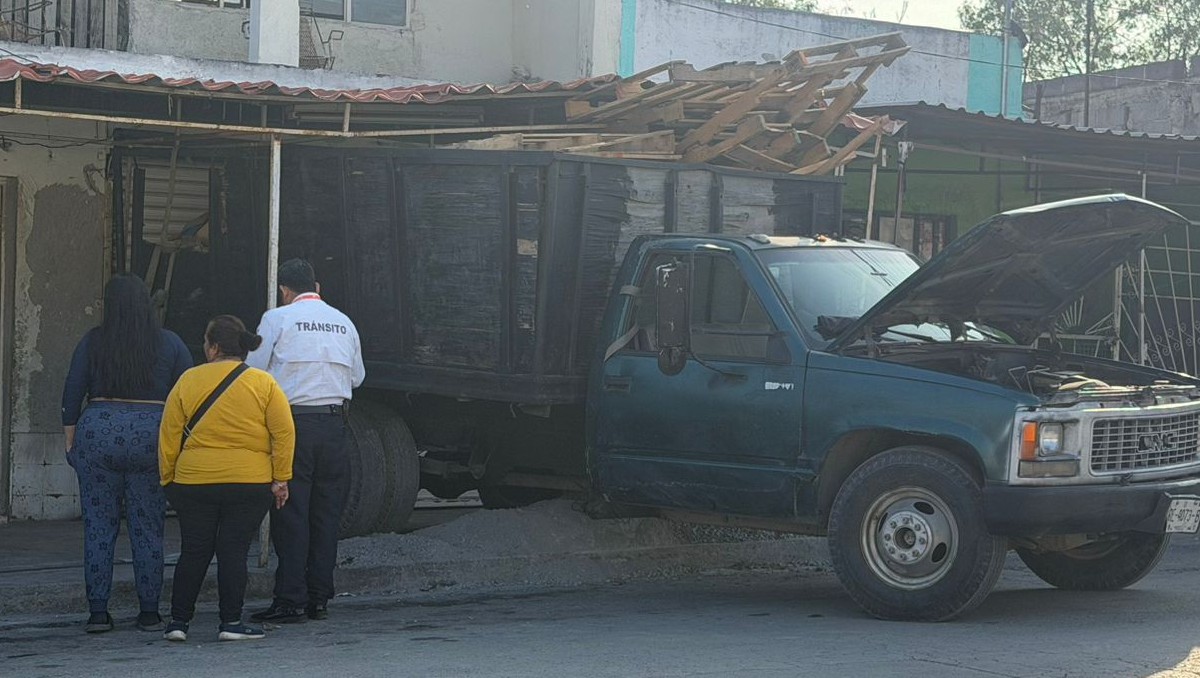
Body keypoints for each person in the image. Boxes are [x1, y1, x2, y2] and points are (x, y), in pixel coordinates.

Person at [62, 274, 192, 634]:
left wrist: (72, 444)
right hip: (151, 434)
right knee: (148, 525)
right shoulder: (170, 343)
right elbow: (187, 396)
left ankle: (98, 613)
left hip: (98, 431)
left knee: (99, 525)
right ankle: (149, 611)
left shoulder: (92, 341)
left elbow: (72, 394)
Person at [158, 315, 295, 642]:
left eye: (206, 342)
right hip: (248, 483)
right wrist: (281, 478)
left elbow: (168, 434)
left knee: (194, 550)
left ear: (214, 347)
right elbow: (284, 432)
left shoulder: (188, 380)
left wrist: (168, 479)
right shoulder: (263, 383)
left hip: (193, 481)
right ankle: (230, 623)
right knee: (233, 551)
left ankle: (178, 623)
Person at [248, 259, 365, 624]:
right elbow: (358, 377)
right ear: (317, 286)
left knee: (291, 513)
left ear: (284, 289)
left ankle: (290, 599)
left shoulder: (276, 319)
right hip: (335, 428)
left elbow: (252, 371)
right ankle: (319, 598)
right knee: (326, 515)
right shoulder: (344, 322)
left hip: (293, 426)